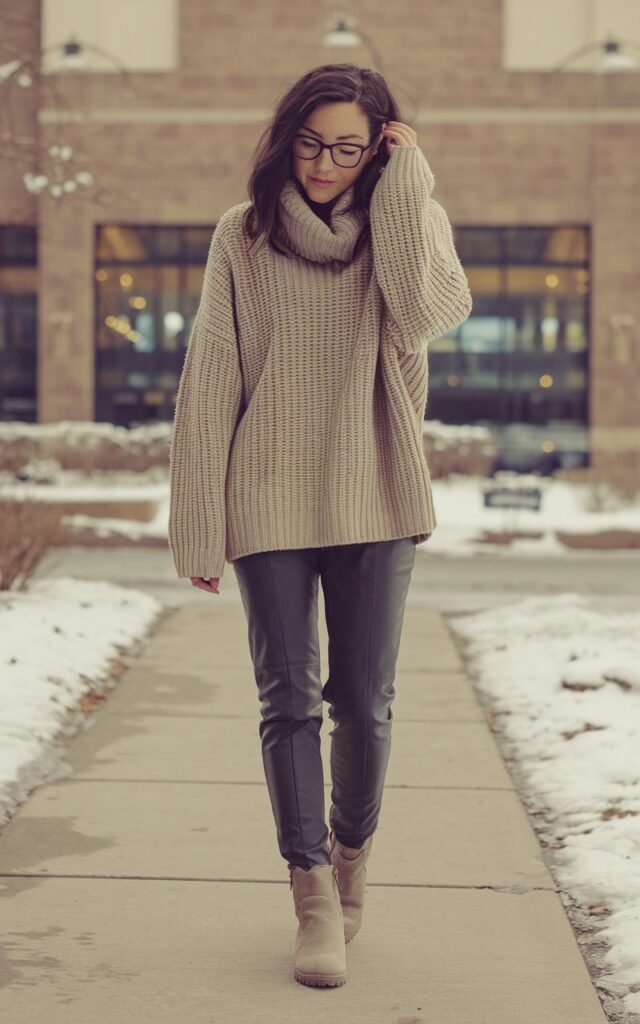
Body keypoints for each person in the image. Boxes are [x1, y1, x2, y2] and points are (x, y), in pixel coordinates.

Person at [168, 63, 472, 988]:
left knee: (365, 702)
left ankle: (350, 864)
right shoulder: (243, 234)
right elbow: (212, 377)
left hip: (376, 488)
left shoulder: (405, 225)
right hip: (266, 492)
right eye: (310, 143)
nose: (324, 164)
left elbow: (427, 314)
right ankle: (311, 898)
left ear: (378, 147)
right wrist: (197, 521)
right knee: (289, 699)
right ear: (285, 139)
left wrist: (409, 186)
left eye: (347, 147)